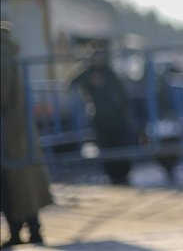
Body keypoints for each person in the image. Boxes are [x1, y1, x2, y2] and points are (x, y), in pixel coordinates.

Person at [1, 22, 53, 248]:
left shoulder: (2, 53)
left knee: (11, 181)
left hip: (6, 129)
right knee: (22, 180)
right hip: (15, 128)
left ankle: (19, 231)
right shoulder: (7, 51)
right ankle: (32, 229)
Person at [69, 45, 134, 185]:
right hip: (100, 118)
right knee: (106, 148)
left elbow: (121, 95)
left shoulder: (110, 73)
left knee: (120, 146)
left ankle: (123, 173)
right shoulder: (87, 73)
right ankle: (112, 175)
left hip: (116, 117)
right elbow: (72, 82)